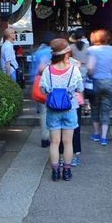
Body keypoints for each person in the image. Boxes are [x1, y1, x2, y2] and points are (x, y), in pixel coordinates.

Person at [40, 38, 83, 181]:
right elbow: (80, 88)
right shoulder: (73, 70)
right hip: (70, 109)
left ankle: (55, 172)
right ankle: (67, 172)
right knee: (68, 142)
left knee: (54, 142)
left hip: (52, 110)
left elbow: (43, 89)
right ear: (66, 54)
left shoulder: (48, 70)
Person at [87, 29, 112, 146]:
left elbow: (90, 68)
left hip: (96, 82)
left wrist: (89, 75)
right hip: (109, 82)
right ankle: (104, 137)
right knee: (106, 110)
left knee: (95, 108)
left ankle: (96, 134)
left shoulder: (91, 50)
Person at [32, 33, 54, 148]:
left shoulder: (38, 52)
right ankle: (54, 138)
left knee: (43, 112)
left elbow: (36, 68)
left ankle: (45, 139)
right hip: (52, 83)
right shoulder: (53, 51)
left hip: (39, 82)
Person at [69, 29, 91, 116]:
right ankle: (87, 107)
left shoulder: (71, 47)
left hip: (75, 69)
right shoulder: (88, 46)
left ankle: (79, 106)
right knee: (86, 89)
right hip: (86, 69)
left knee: (77, 89)